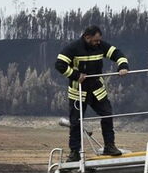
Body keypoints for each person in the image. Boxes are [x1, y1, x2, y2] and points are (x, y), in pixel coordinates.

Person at [54, 25, 130, 161]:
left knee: (107, 114)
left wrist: (123, 66)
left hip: (97, 90)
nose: (98, 43)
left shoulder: (101, 46)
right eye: (95, 40)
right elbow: (59, 64)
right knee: (76, 122)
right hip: (78, 91)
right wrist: (76, 75)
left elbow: (117, 53)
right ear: (87, 37)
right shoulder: (73, 48)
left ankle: (110, 146)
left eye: (99, 40)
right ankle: (74, 153)